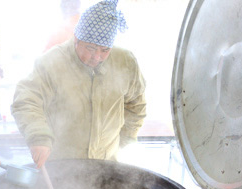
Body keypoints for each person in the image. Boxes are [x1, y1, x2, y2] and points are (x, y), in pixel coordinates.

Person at [11, 0, 146, 168]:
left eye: (105, 50)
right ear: (76, 39)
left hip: (105, 164)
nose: (97, 57)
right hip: (62, 165)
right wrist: (38, 136)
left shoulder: (125, 62)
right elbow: (26, 100)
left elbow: (136, 106)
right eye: (90, 48)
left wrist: (122, 140)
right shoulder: (52, 63)